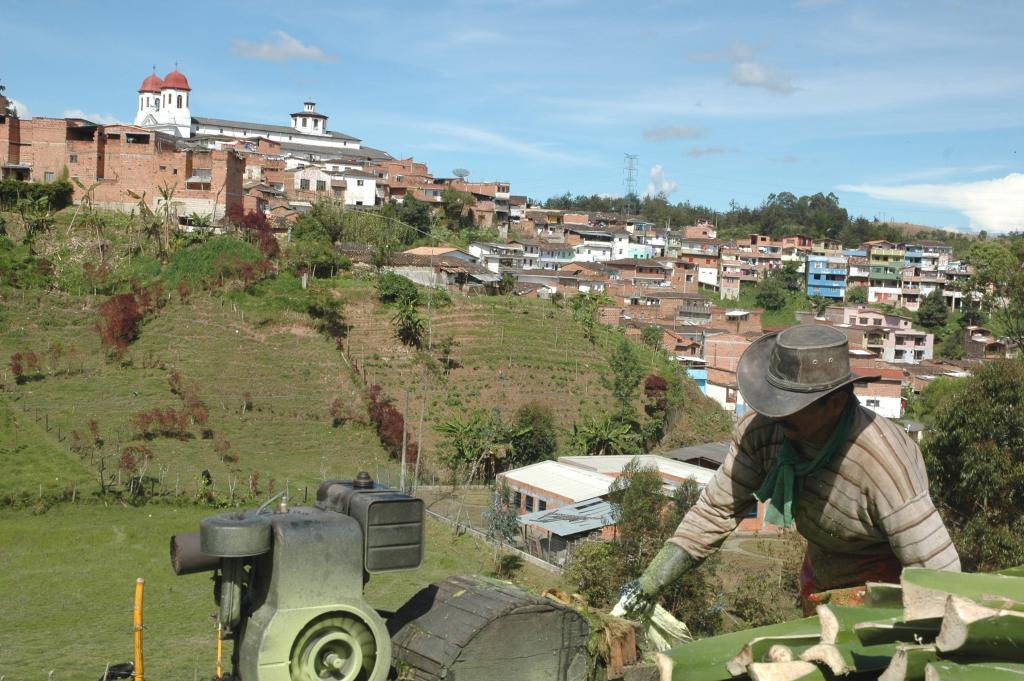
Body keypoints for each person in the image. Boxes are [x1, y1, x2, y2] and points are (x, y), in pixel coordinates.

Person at [620, 324, 960, 617]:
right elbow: (715, 510)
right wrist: (649, 584)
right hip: (821, 570)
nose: (779, 415)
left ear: (837, 403)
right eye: (775, 401)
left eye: (793, 406)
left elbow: (937, 571)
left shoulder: (883, 462)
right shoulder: (763, 431)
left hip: (886, 587)